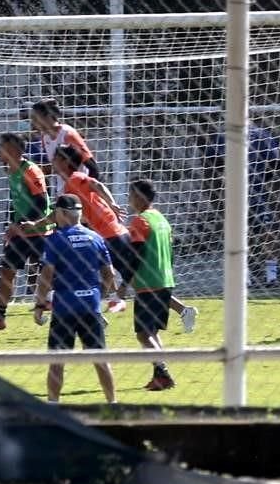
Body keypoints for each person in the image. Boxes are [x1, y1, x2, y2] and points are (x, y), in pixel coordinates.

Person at [21, 145, 200, 334]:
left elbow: (96, 185)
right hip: (113, 235)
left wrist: (112, 203)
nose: (52, 161)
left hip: (110, 236)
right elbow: (57, 215)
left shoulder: (75, 178)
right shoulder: (67, 186)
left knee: (85, 276)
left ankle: (95, 313)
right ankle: (183, 310)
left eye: (56, 158)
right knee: (138, 284)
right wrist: (35, 225)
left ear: (65, 161)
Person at [32, 194, 117, 404]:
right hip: (90, 307)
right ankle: (113, 404)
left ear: (62, 213)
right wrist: (99, 295)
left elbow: (46, 276)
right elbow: (110, 276)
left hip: (65, 309)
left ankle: (53, 406)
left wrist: (40, 304)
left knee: (57, 361)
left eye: (55, 212)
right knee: (100, 358)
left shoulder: (55, 240)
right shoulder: (96, 238)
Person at [0, 133, 52, 332]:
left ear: (13, 149)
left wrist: (20, 224)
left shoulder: (31, 170)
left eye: (1, 147)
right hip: (21, 233)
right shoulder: (12, 171)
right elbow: (14, 203)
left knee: (45, 272)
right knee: (6, 271)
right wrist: (9, 227)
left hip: (40, 230)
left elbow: (41, 203)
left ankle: (58, 304)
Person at [116, 179, 178, 390]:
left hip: (148, 283)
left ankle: (163, 372)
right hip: (165, 280)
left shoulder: (140, 221)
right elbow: (171, 251)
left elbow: (136, 254)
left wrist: (124, 283)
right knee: (152, 331)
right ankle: (160, 377)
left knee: (143, 333)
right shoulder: (161, 219)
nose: (129, 198)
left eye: (131, 194)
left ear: (140, 197)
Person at [202, 121, 280, 284]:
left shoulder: (228, 135)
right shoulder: (256, 134)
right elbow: (276, 164)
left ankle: (261, 276)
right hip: (248, 194)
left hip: (241, 194)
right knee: (261, 233)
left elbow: (212, 161)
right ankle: (259, 276)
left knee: (252, 233)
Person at [28, 98, 100, 195]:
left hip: (79, 193)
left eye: (36, 119)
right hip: (63, 192)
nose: (33, 123)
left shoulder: (68, 134)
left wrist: (85, 190)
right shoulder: (45, 138)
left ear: (48, 116)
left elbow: (93, 168)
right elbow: (58, 166)